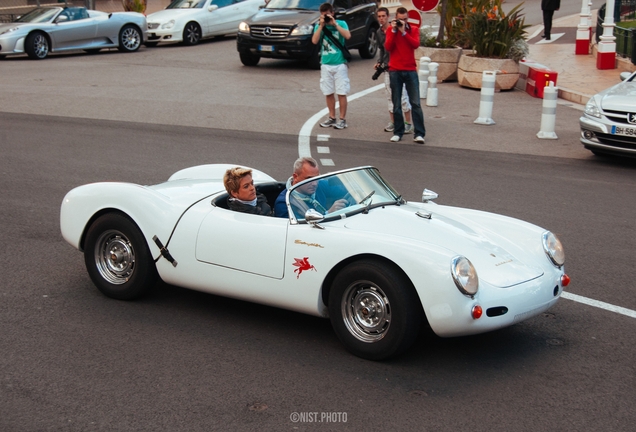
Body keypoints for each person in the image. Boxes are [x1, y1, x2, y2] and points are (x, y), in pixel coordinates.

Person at [385, 7, 426, 144]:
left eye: (405, 19)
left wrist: (404, 33)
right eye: (400, 19)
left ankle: (419, 133)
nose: (403, 22)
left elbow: (415, 44)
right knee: (396, 103)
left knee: (415, 103)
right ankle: (398, 132)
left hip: (410, 70)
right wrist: (394, 31)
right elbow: (388, 47)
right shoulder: (391, 30)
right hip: (395, 70)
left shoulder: (413, 29)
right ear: (396, 18)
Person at [311, 2, 351, 130]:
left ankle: (342, 119)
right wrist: (321, 26)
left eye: (328, 14)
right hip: (326, 63)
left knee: (341, 92)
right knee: (328, 92)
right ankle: (332, 117)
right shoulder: (319, 26)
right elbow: (314, 40)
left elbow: (348, 36)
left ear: (333, 13)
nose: (326, 17)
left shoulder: (342, 23)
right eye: (324, 15)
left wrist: (335, 24)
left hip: (339, 63)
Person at [375, 7, 413, 134]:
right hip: (387, 68)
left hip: (398, 67)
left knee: (403, 96)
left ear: (388, 16)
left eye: (384, 16)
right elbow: (382, 48)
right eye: (379, 16)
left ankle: (408, 123)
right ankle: (393, 122)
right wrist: (379, 62)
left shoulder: (394, 28)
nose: (382, 18)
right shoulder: (379, 32)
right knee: (390, 97)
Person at [274, 157, 348, 219]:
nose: (315, 183)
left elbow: (343, 189)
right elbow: (295, 230)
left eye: (317, 178)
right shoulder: (284, 203)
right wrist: (328, 214)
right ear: (295, 177)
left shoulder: (319, 184)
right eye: (309, 179)